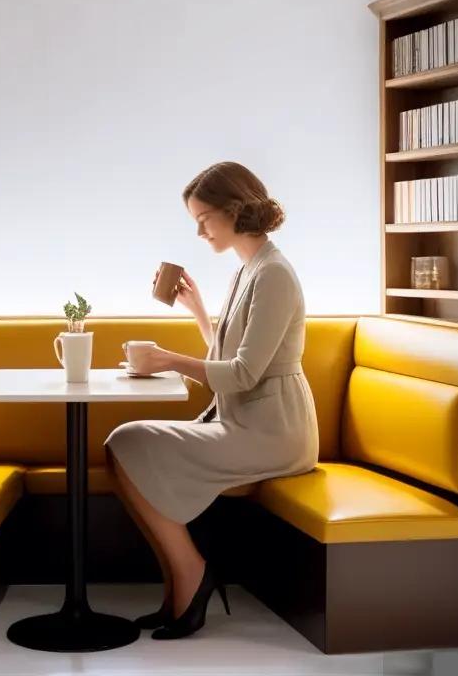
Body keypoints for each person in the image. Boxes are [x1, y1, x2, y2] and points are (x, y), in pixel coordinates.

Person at [103, 161, 319, 640]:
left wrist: (168, 360)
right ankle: (184, 579)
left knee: (126, 442)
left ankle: (191, 575)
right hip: (247, 422)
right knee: (122, 447)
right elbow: (232, 361)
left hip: (274, 433)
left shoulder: (274, 275)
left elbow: (241, 375)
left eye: (203, 219)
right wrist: (199, 311)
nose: (199, 232)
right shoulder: (249, 270)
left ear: (234, 210)